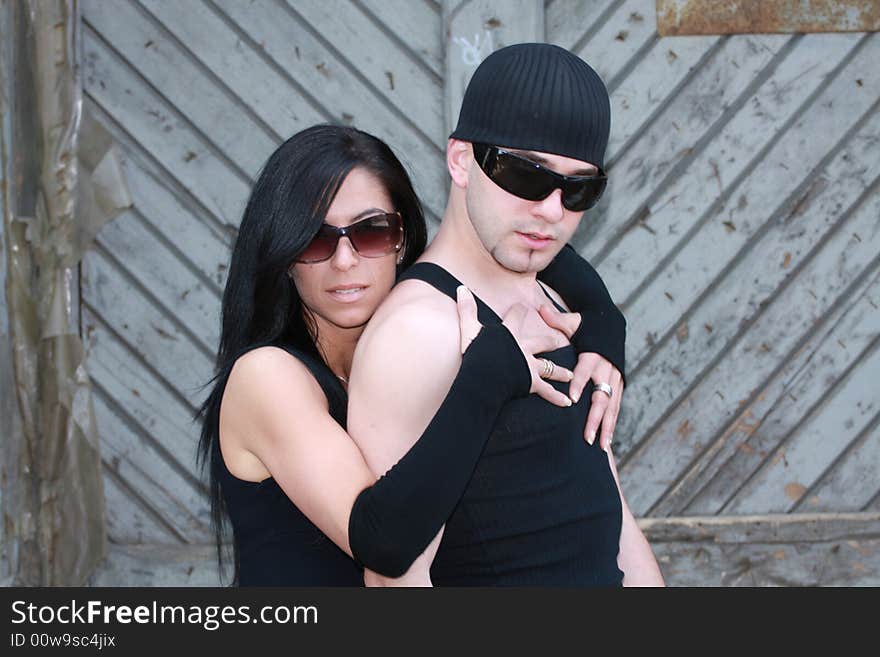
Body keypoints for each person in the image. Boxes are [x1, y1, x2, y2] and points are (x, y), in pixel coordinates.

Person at [197, 123, 628, 585]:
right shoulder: (266, 377)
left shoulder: (405, 339)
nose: (345, 260)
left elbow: (539, 250)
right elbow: (387, 542)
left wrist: (605, 329)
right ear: (283, 254)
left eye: (371, 231)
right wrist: (488, 377)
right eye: (315, 239)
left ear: (401, 238)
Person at [348, 43, 665, 586]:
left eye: (579, 189)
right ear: (460, 160)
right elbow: (395, 579)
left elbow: (610, 518)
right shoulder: (417, 333)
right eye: (525, 175)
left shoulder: (560, 302)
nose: (551, 211)